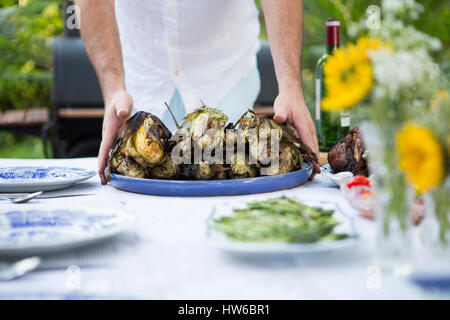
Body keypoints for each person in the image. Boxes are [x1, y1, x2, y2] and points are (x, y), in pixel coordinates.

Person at [75, 0, 320, 184]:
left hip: (225, 72)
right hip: (141, 78)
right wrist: (113, 88)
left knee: (233, 184)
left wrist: (290, 86)